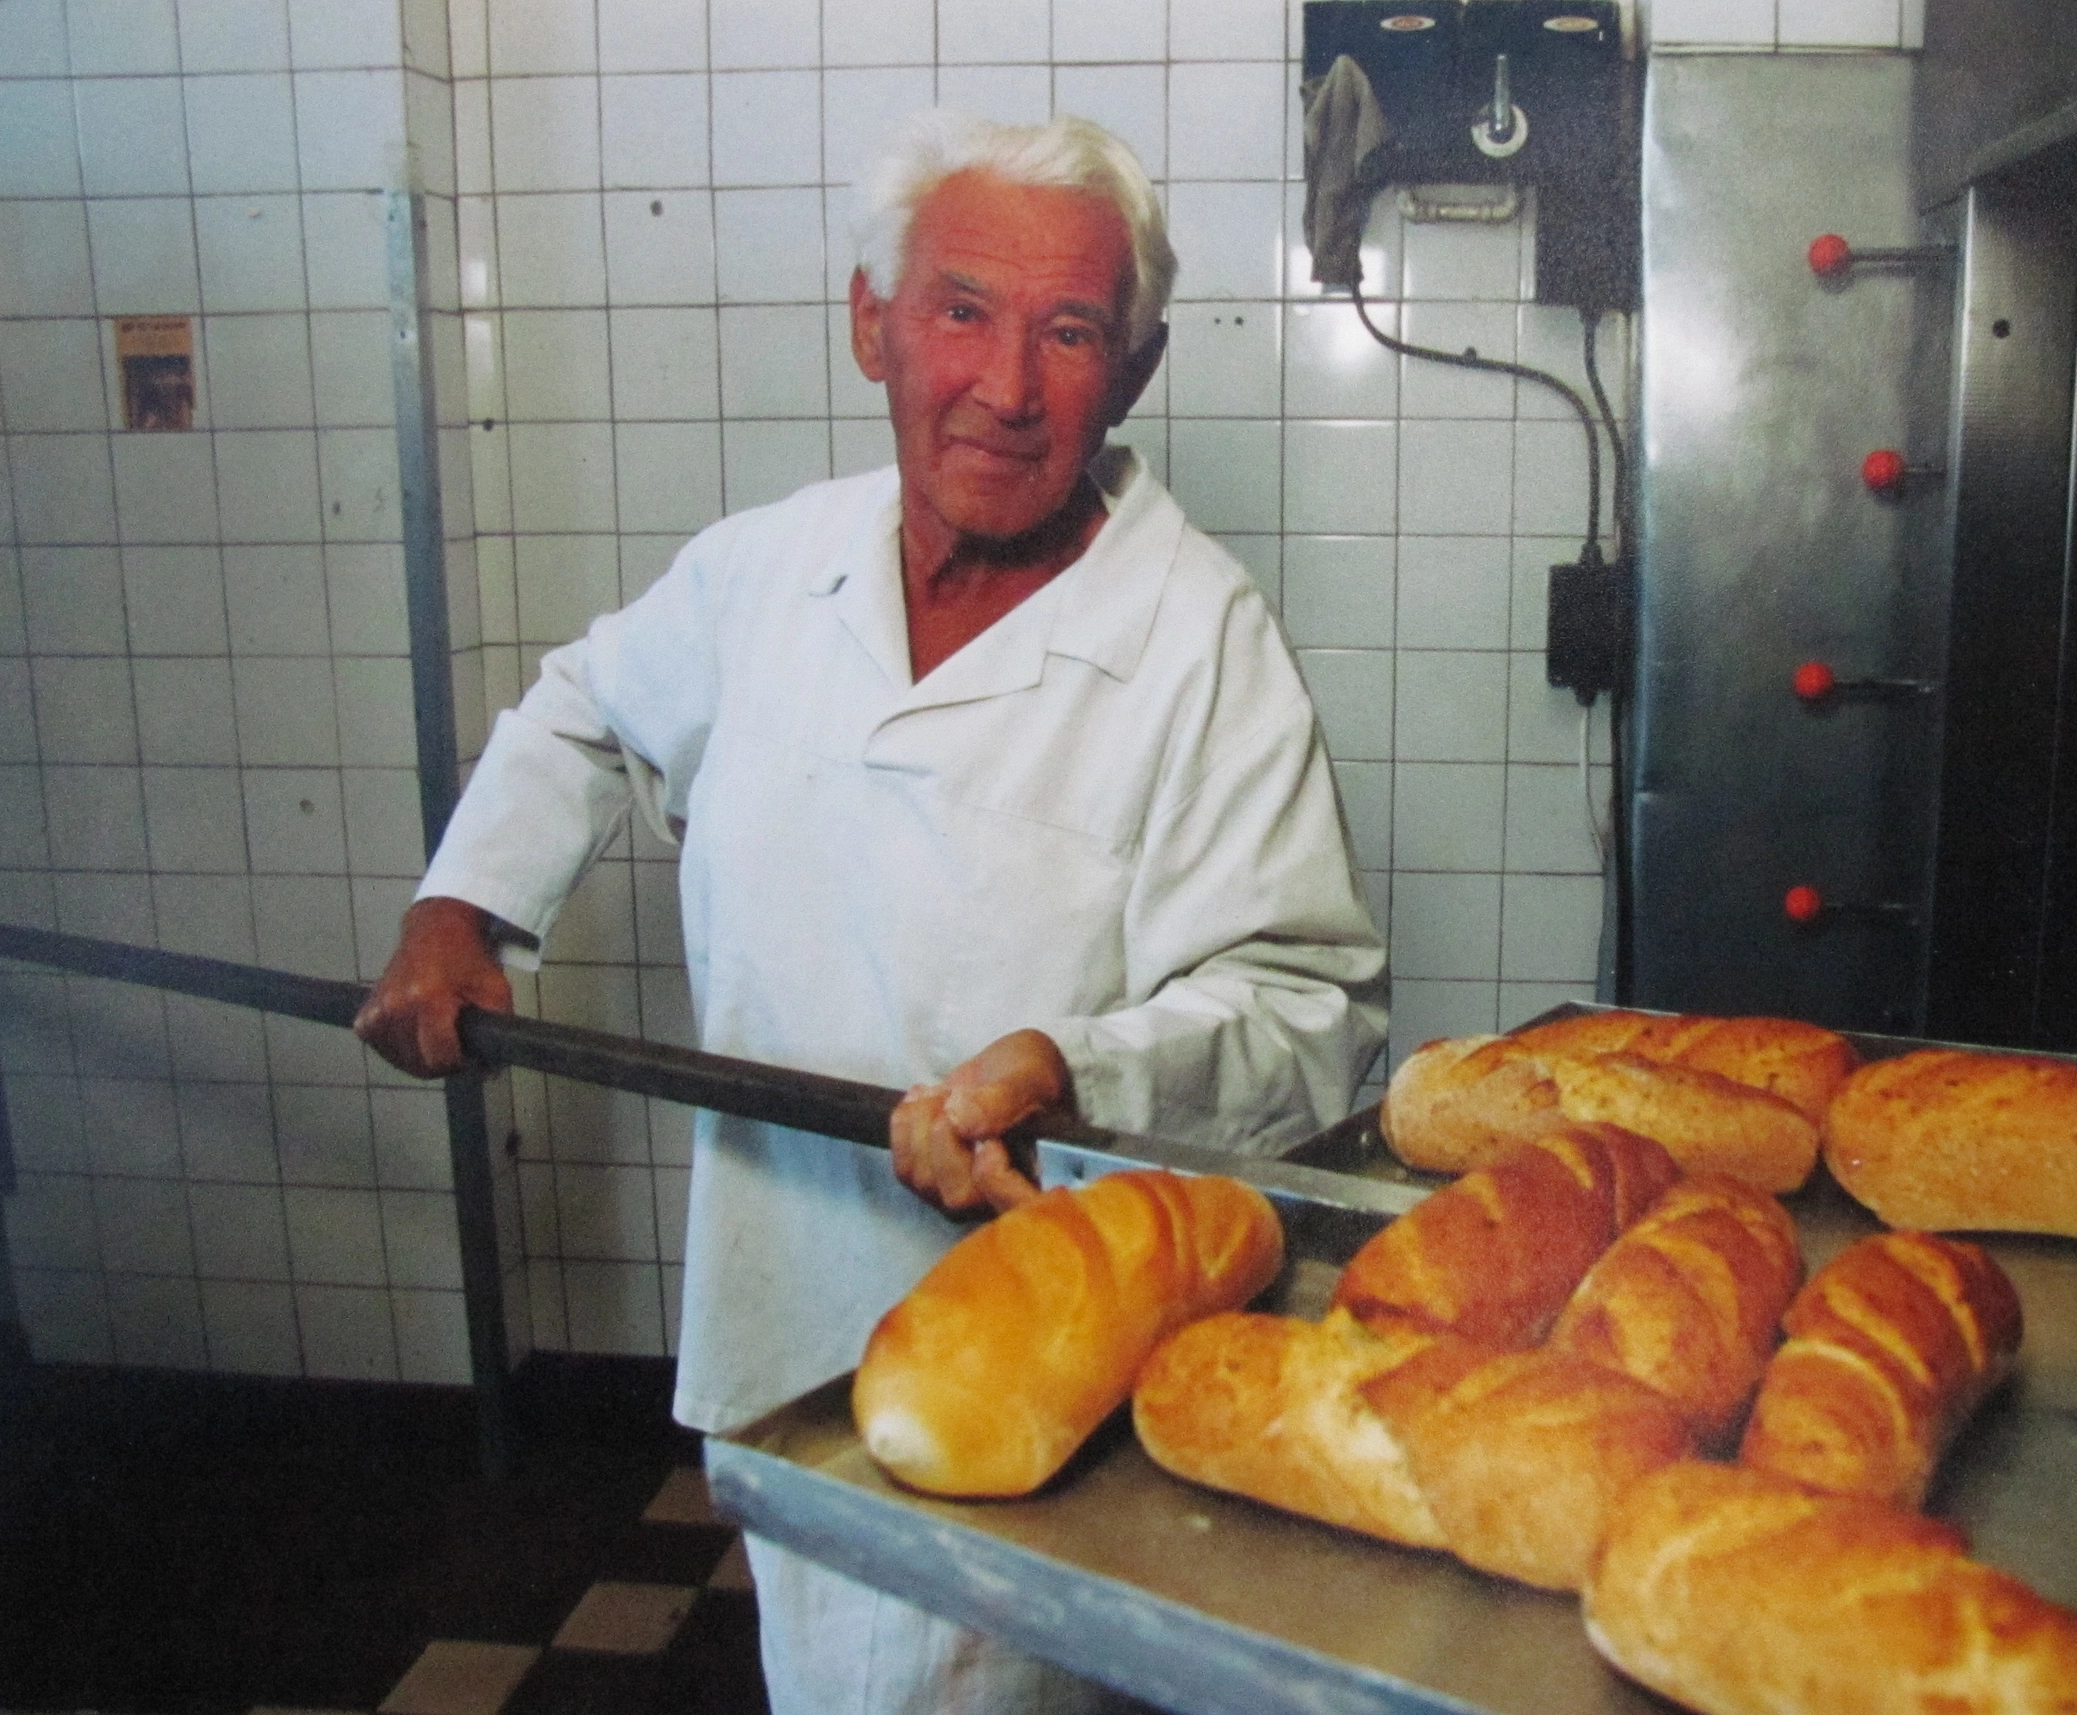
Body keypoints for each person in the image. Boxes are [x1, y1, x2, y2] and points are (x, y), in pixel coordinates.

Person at [355, 111, 1387, 1713]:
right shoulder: (769, 570)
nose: (1005, 382)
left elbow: (1309, 1008)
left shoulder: (1196, 641)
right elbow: (585, 709)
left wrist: (1079, 1067)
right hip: (782, 1322)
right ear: (871, 324)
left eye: (1069, 333)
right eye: (961, 310)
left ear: (1138, 367)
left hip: (1045, 1360)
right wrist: (465, 899)